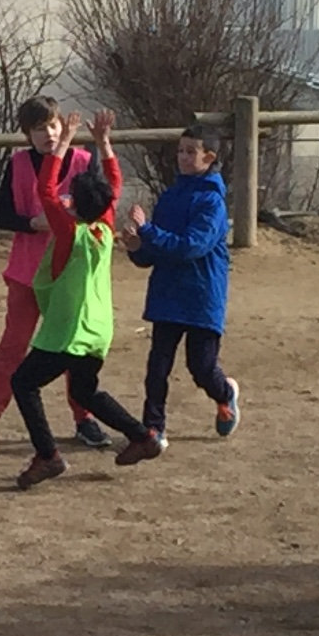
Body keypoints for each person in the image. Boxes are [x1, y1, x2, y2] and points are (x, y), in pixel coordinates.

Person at [8, 109, 159, 489]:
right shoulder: (104, 230)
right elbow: (114, 184)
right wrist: (104, 143)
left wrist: (63, 144)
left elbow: (45, 191)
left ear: (73, 203)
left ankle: (47, 456)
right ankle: (142, 436)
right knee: (83, 390)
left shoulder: (69, 233)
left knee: (24, 383)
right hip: (97, 331)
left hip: (67, 333)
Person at [0, 97, 102, 456]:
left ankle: (84, 418)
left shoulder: (83, 162)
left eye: (53, 125)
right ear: (28, 134)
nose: (49, 134)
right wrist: (33, 223)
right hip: (27, 272)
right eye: (39, 129)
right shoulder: (19, 164)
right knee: (13, 346)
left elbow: (101, 207)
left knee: (74, 349)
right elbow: (2, 216)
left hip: (70, 274)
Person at [130, 121, 238, 446]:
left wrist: (148, 231)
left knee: (201, 366)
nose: (183, 157)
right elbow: (155, 252)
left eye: (191, 151)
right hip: (167, 294)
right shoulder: (169, 197)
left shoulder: (212, 202)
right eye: (180, 150)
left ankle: (225, 393)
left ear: (210, 157)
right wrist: (137, 248)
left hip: (202, 296)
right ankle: (153, 429)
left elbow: (192, 246)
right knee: (157, 366)